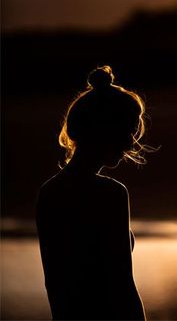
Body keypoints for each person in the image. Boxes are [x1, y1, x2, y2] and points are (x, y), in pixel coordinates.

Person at [36, 65, 147, 320]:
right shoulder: (112, 194)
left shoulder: (49, 192)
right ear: (106, 131)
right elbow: (123, 286)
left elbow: (53, 283)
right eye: (128, 131)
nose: (132, 142)